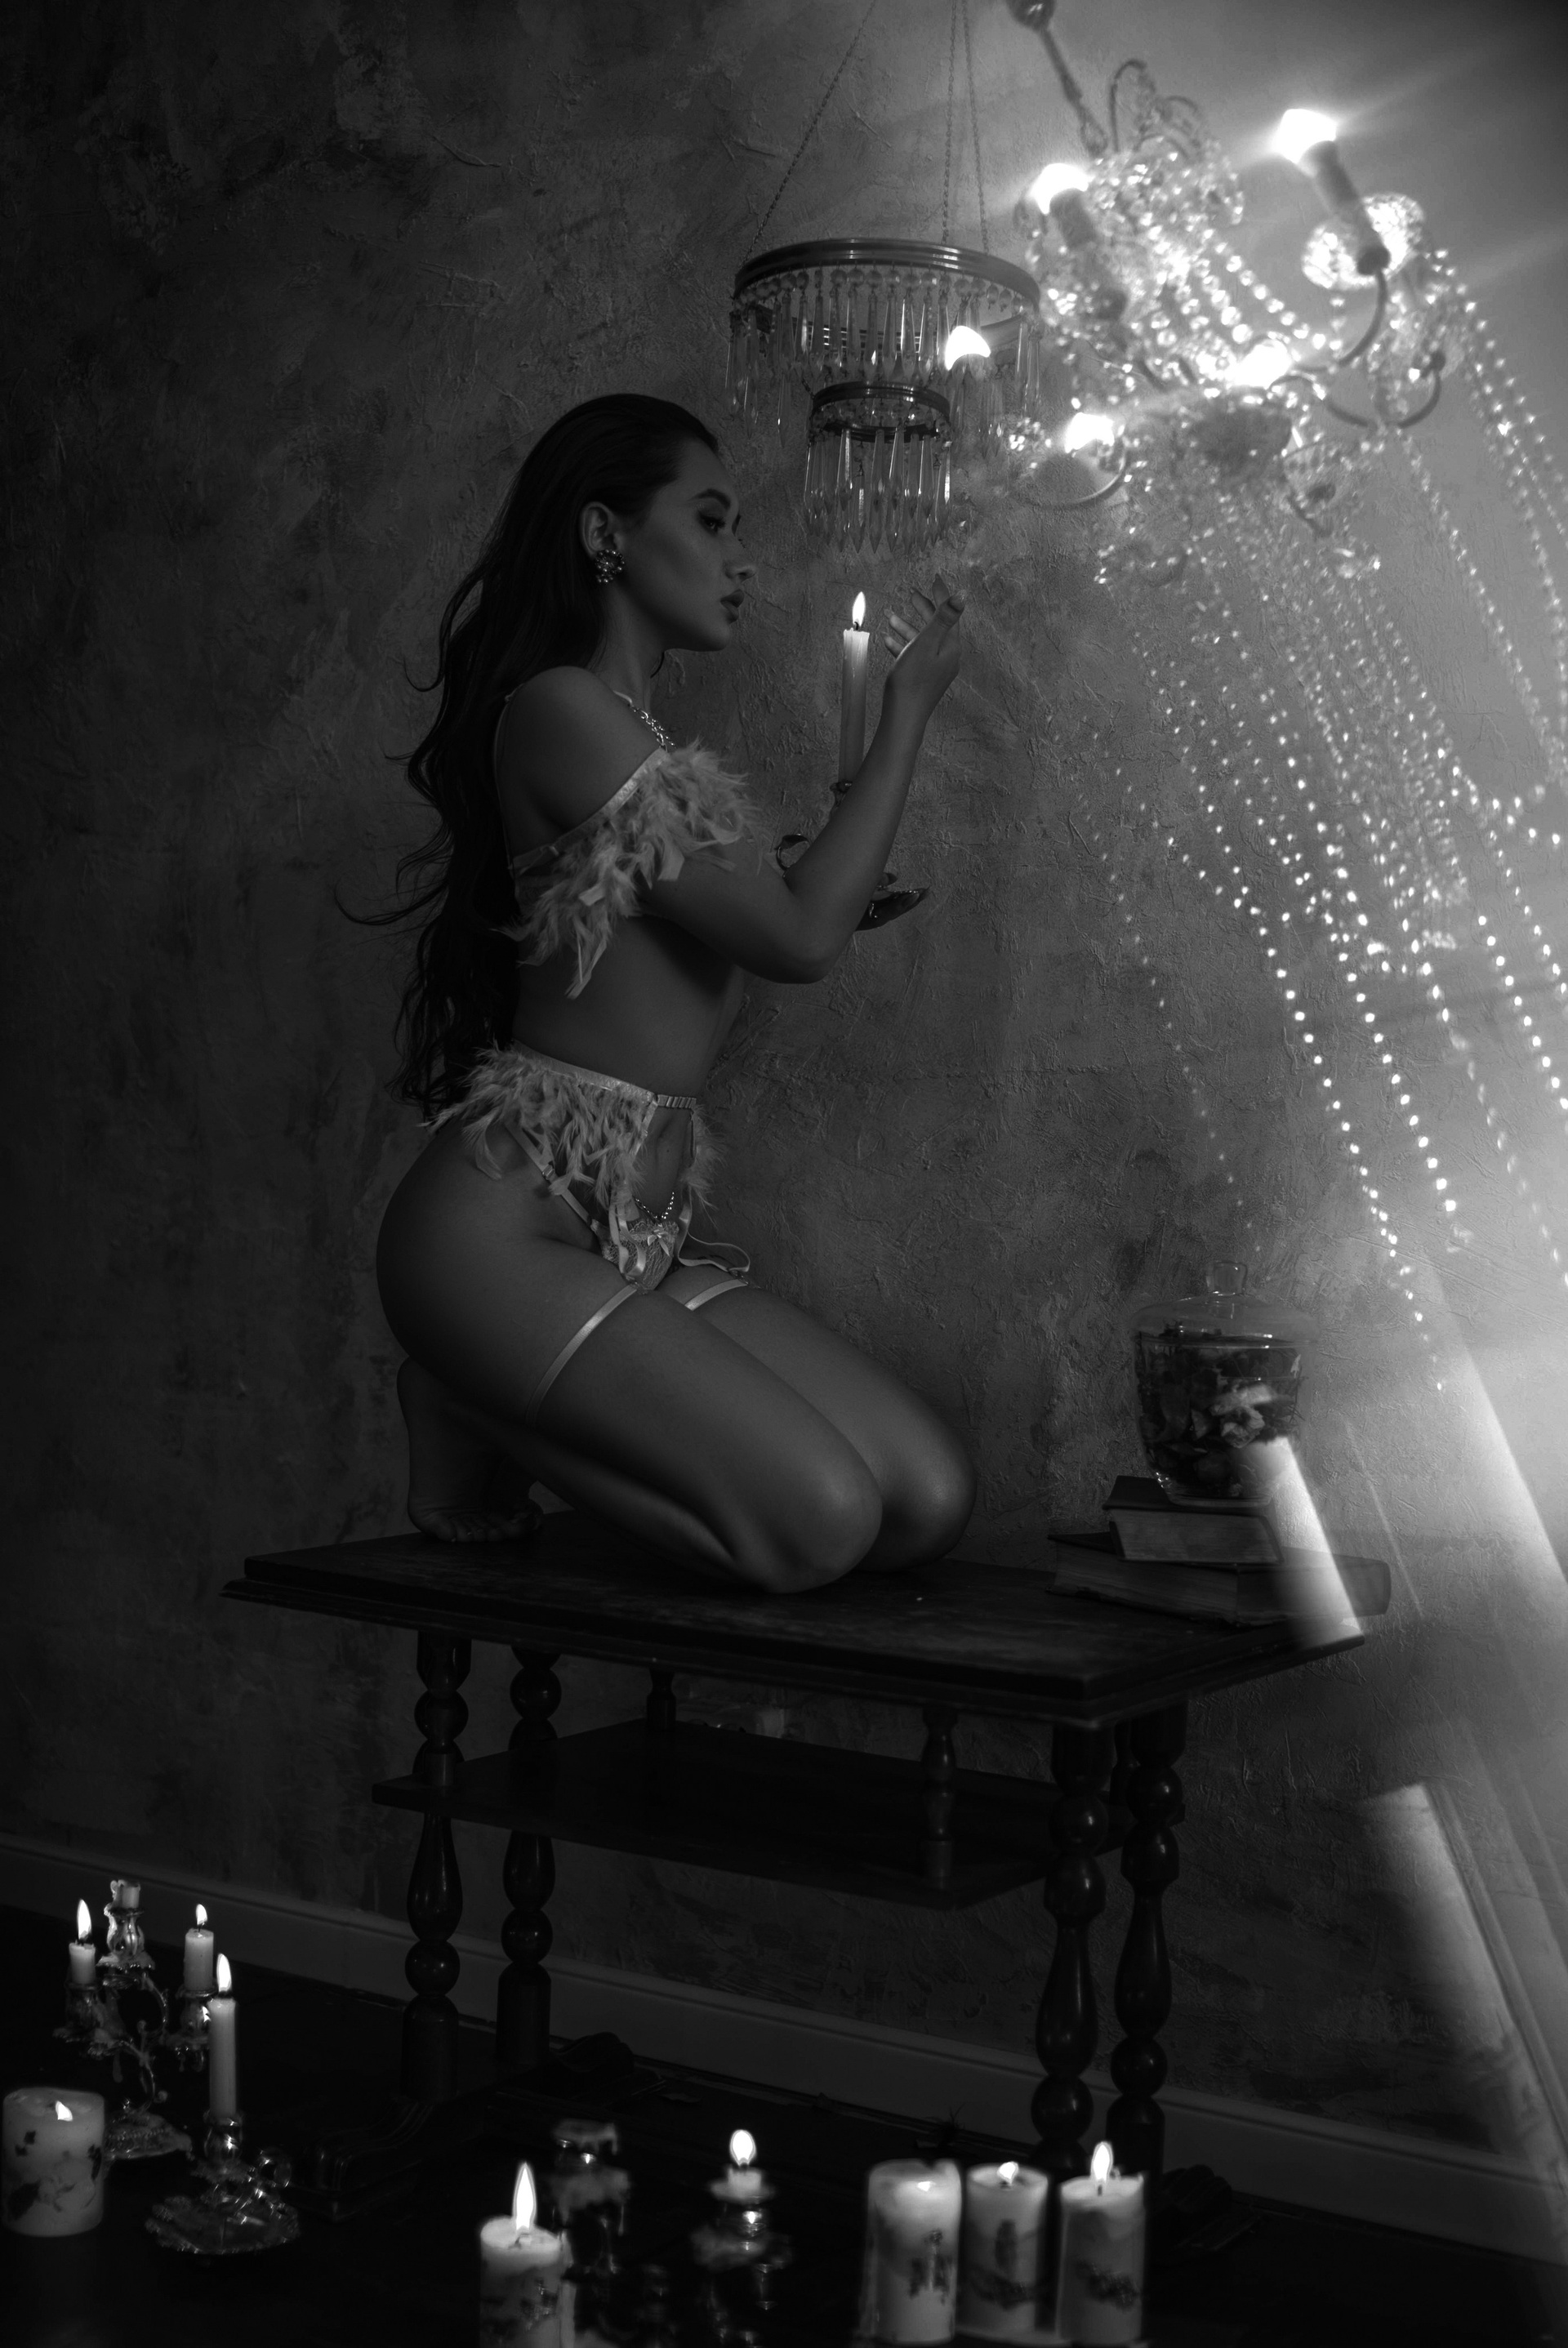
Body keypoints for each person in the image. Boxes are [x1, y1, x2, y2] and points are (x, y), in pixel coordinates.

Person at [375, 392, 973, 1593]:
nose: (741, 558)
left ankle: (494, 1400)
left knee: (926, 1501)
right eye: (709, 520)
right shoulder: (561, 709)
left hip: (634, 1235)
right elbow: (799, 941)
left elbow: (773, 912)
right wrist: (907, 712)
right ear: (606, 534)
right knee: (818, 1528)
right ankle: (464, 1401)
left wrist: (806, 883)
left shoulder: (636, 741)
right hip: (503, 1235)